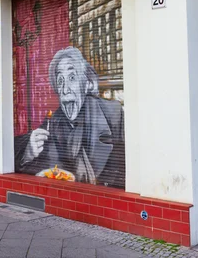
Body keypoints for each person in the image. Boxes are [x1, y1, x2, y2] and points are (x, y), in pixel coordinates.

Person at [14, 47, 125, 188]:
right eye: (60, 81)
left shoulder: (114, 114)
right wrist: (28, 152)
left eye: (72, 78)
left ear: (87, 84)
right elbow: (37, 162)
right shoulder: (55, 121)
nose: (65, 89)